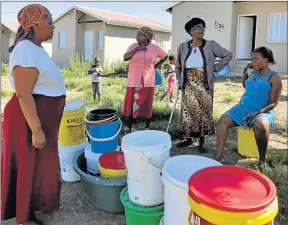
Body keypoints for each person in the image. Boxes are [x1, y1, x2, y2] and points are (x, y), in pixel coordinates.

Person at [1, 4, 66, 225]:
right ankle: (24, 215)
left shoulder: (35, 49)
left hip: (33, 117)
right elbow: (24, 94)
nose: (53, 26)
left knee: (37, 166)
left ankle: (34, 207)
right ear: (36, 24)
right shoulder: (26, 49)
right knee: (27, 165)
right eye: (49, 21)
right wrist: (36, 129)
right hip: (26, 119)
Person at [215, 47, 282, 166]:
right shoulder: (254, 72)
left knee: (260, 125)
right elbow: (246, 85)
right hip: (242, 108)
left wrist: (256, 113)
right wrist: (245, 70)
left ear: (266, 60)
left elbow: (273, 103)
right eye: (252, 59)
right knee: (223, 119)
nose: (253, 62)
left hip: (262, 111)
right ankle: (219, 157)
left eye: (256, 59)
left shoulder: (274, 78)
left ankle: (262, 161)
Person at [175, 17, 233, 152]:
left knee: (203, 112)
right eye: (198, 28)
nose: (201, 30)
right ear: (191, 31)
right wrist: (180, 80)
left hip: (204, 83)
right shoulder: (183, 47)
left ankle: (201, 141)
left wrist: (214, 69)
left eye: (203, 27)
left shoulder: (211, 45)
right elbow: (178, 67)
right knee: (188, 112)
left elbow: (227, 55)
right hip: (188, 83)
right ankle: (188, 138)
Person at [122, 26, 168, 133]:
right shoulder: (133, 46)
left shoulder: (154, 48)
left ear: (147, 37)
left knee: (147, 102)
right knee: (131, 102)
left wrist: (156, 65)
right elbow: (125, 57)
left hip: (148, 80)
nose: (137, 37)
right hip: (134, 79)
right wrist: (137, 49)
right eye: (137, 34)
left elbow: (165, 56)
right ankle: (130, 126)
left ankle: (147, 126)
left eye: (140, 35)